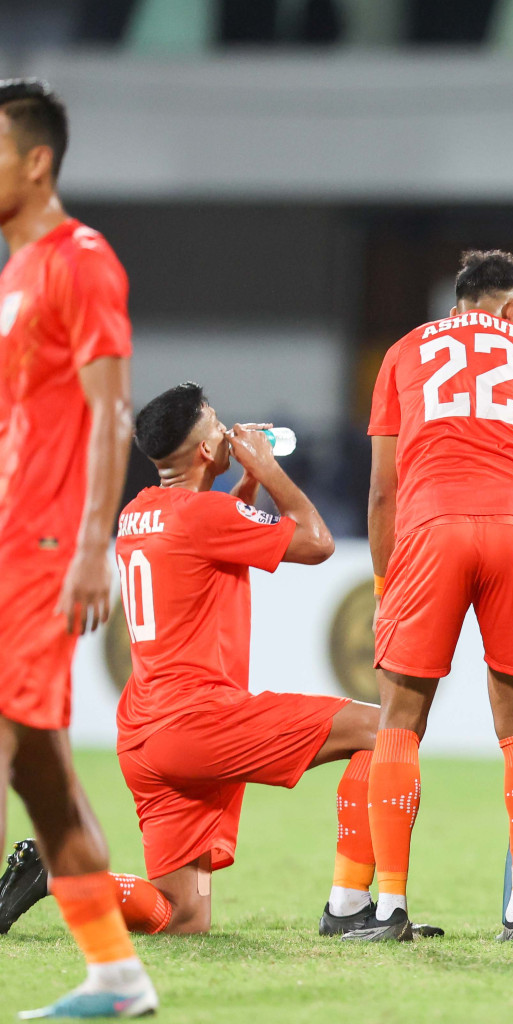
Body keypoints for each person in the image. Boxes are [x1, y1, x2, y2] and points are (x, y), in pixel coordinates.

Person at [3, 384, 419, 946]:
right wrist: (268, 468)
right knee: (385, 729)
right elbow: (318, 542)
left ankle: (55, 874)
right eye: (215, 422)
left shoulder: (136, 514)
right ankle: (348, 904)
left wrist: (241, 481)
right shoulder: (207, 515)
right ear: (202, 451)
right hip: (197, 721)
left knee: (178, 917)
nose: (226, 429)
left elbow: (213, 531)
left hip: (146, 738)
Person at [366, 250, 513, 942]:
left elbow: (382, 490)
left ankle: (387, 909)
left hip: (430, 526)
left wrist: (385, 584)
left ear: (460, 302)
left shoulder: (403, 352)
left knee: (399, 721)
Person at [0, 77, 157, 1019]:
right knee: (41, 774)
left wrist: (93, 544)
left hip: (47, 546)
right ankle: (116, 974)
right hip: (11, 535)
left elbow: (112, 412)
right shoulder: (13, 276)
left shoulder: (79, 260)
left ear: (36, 161)